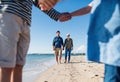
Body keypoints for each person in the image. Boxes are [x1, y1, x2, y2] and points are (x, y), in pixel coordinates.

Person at [0, 0, 71, 82]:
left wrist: (58, 15)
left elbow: (39, 3)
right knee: (6, 65)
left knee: (19, 65)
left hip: (26, 23)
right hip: (9, 14)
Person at [59, 0, 120, 82]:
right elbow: (90, 7)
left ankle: (67, 60)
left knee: (112, 77)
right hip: (112, 46)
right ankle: (66, 60)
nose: (68, 36)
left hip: (115, 44)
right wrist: (70, 14)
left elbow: (90, 7)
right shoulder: (66, 39)